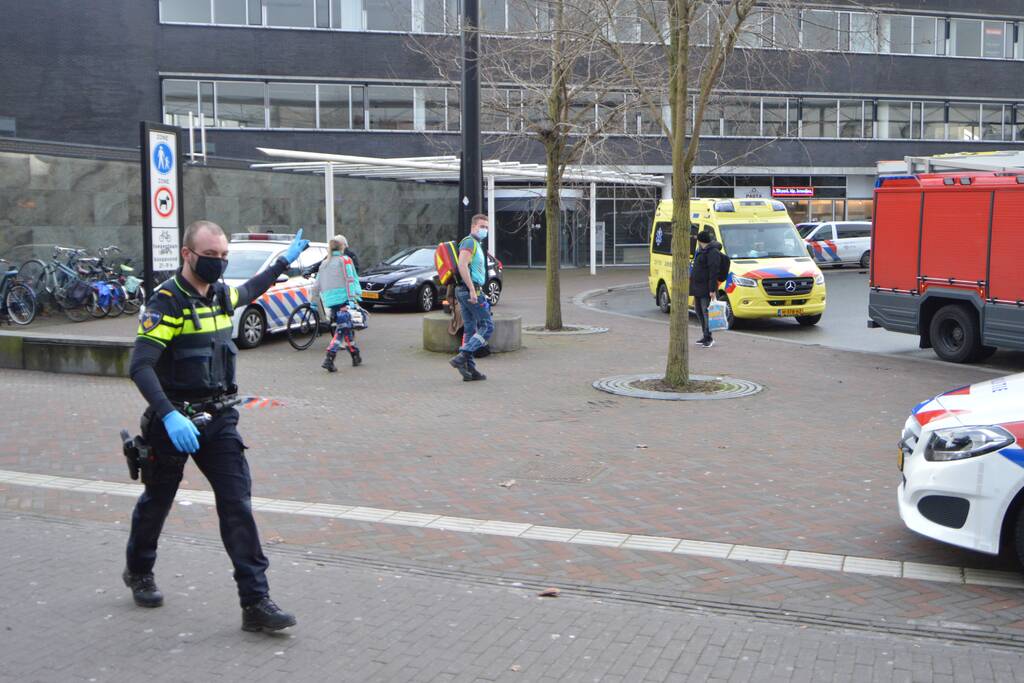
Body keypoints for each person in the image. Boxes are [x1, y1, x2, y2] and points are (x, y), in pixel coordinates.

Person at [124, 220, 308, 632]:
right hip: (174, 422)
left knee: (237, 505)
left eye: (224, 256)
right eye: (211, 256)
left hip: (219, 419)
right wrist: (169, 415)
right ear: (188, 255)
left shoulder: (221, 295)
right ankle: (139, 571)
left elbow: (251, 290)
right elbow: (140, 366)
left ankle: (255, 602)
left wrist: (282, 263)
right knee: (157, 501)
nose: (219, 264)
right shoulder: (167, 302)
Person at [449, 214, 492, 381]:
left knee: (469, 329)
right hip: (470, 291)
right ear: (474, 226)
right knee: (487, 326)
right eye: (482, 227)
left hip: (467, 290)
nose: (485, 230)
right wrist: (473, 290)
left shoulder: (476, 244)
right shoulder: (469, 242)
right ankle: (462, 357)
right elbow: (462, 264)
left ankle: (470, 370)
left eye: (487, 227)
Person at [311, 235, 363, 372]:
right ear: (342, 247)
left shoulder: (324, 264)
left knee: (344, 327)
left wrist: (313, 302)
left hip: (330, 301)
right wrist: (352, 299)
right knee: (341, 329)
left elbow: (316, 285)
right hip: (344, 299)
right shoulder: (345, 260)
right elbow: (350, 280)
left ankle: (355, 354)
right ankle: (330, 356)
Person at [691, 229, 724, 348]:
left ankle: (709, 337)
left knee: (705, 312)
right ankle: (705, 335)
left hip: (706, 288)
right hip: (698, 287)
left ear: (701, 240)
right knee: (698, 311)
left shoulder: (712, 252)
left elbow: (713, 272)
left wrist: (712, 290)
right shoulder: (702, 250)